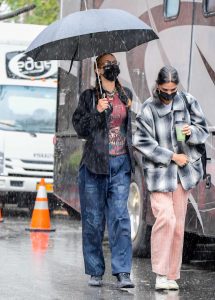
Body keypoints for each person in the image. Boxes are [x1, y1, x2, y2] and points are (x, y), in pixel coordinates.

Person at [133, 66, 209, 290]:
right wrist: (171, 156)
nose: (169, 94)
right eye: (165, 89)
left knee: (178, 226)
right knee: (166, 218)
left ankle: (172, 275)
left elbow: (203, 129)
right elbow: (141, 142)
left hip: (183, 174)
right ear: (157, 86)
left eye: (173, 90)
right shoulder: (148, 108)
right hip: (159, 174)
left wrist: (191, 132)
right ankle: (160, 273)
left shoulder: (187, 101)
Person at [72, 53, 135, 288]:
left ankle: (123, 272)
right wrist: (97, 111)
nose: (112, 67)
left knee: (120, 217)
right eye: (107, 65)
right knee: (93, 220)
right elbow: (80, 128)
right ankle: (95, 270)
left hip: (120, 165)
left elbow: (132, 127)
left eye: (114, 64)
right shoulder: (89, 96)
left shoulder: (125, 94)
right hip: (94, 166)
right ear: (98, 70)